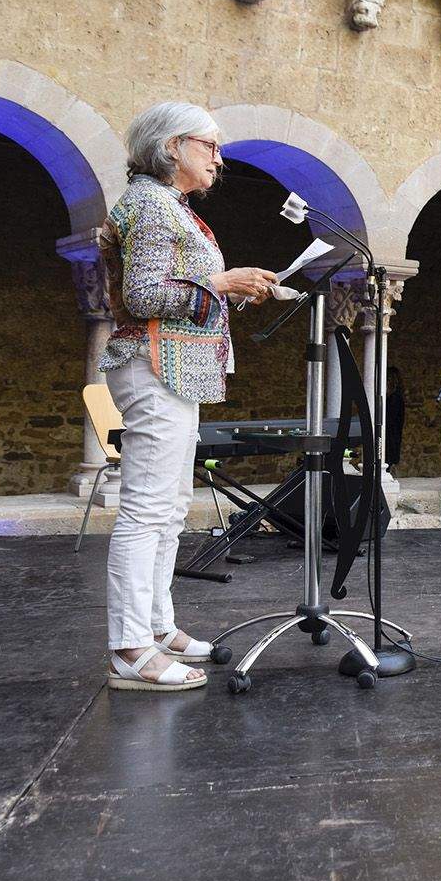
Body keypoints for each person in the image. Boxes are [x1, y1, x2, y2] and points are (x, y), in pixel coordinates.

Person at [97, 102, 277, 691]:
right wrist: (221, 283)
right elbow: (145, 294)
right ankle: (129, 648)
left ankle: (156, 625)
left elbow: (180, 289)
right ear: (172, 146)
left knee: (170, 507)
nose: (219, 159)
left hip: (176, 369)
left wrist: (228, 291)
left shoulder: (169, 206)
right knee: (147, 509)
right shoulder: (151, 203)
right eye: (210, 146)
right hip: (154, 366)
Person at [386, 366, 406, 474]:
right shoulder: (394, 397)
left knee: (389, 456)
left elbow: (391, 419)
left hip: (391, 433)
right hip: (391, 433)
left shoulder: (395, 398)